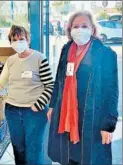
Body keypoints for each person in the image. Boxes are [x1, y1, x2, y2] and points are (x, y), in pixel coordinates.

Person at [47, 11, 119, 165]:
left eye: (84, 26)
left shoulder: (106, 54)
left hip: (92, 119)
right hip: (66, 114)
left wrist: (108, 125)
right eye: (76, 26)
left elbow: (112, 92)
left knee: (89, 158)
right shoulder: (66, 50)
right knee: (69, 156)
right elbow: (59, 80)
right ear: (70, 30)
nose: (80, 29)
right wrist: (52, 106)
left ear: (92, 29)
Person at [0, 25, 54, 164]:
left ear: (28, 40)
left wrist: (38, 105)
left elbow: (50, 85)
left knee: (34, 149)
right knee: (18, 148)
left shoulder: (39, 58)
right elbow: (1, 82)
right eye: (14, 39)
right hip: (12, 109)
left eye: (21, 39)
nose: (18, 42)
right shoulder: (11, 60)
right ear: (10, 42)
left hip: (34, 111)